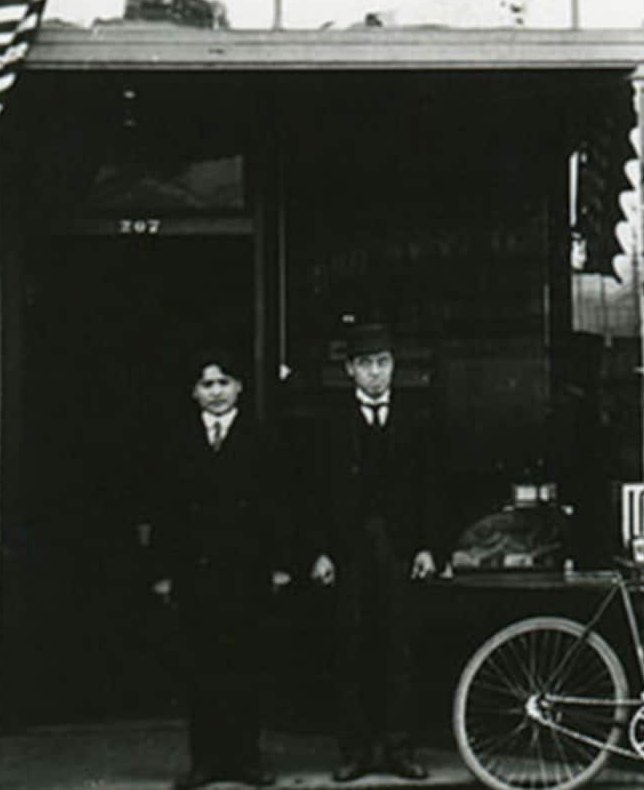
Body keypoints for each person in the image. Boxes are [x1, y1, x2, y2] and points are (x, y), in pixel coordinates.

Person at [152, 352, 289, 790]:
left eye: (224, 383)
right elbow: (165, 512)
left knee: (245, 664)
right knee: (201, 667)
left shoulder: (262, 438)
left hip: (246, 571)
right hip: (196, 573)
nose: (215, 392)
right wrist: (164, 572)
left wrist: (280, 565)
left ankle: (246, 759)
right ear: (195, 392)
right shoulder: (177, 441)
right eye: (207, 384)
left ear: (239, 389)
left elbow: (278, 507)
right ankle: (205, 760)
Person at [309, 323, 437, 782]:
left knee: (399, 650)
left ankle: (400, 749)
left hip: (399, 549)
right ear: (349, 370)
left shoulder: (417, 416)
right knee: (351, 648)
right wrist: (321, 552)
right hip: (349, 552)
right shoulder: (330, 422)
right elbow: (315, 493)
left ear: (394, 366)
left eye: (383, 363)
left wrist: (428, 547)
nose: (375, 374)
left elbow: (432, 487)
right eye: (365, 364)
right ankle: (356, 751)